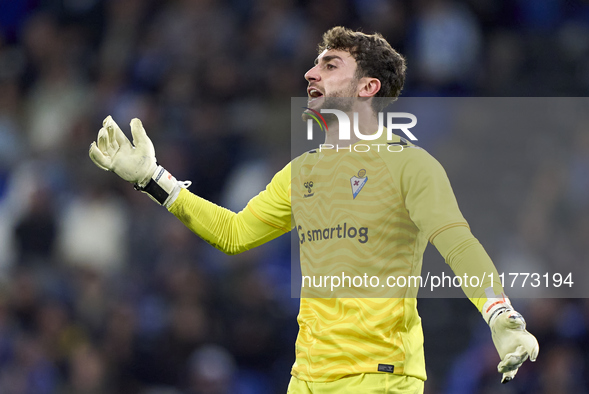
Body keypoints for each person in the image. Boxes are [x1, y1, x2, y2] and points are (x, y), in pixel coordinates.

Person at [89, 27, 538, 394]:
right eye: (315, 63)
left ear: (368, 87)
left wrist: (502, 315)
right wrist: (152, 178)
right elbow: (234, 233)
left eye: (329, 64)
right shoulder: (301, 172)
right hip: (306, 379)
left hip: (379, 378)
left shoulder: (410, 166)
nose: (310, 73)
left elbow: (457, 243)